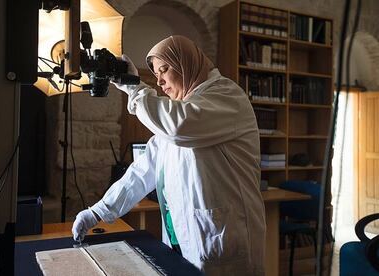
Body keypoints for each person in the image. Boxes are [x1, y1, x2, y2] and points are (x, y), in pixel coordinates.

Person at [72, 35, 266, 275]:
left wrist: (135, 87)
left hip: (224, 241)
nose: (160, 82)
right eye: (155, 75)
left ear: (186, 64)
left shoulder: (226, 96)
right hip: (183, 241)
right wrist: (97, 211)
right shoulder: (184, 108)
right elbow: (142, 173)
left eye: (164, 70)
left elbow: (179, 127)